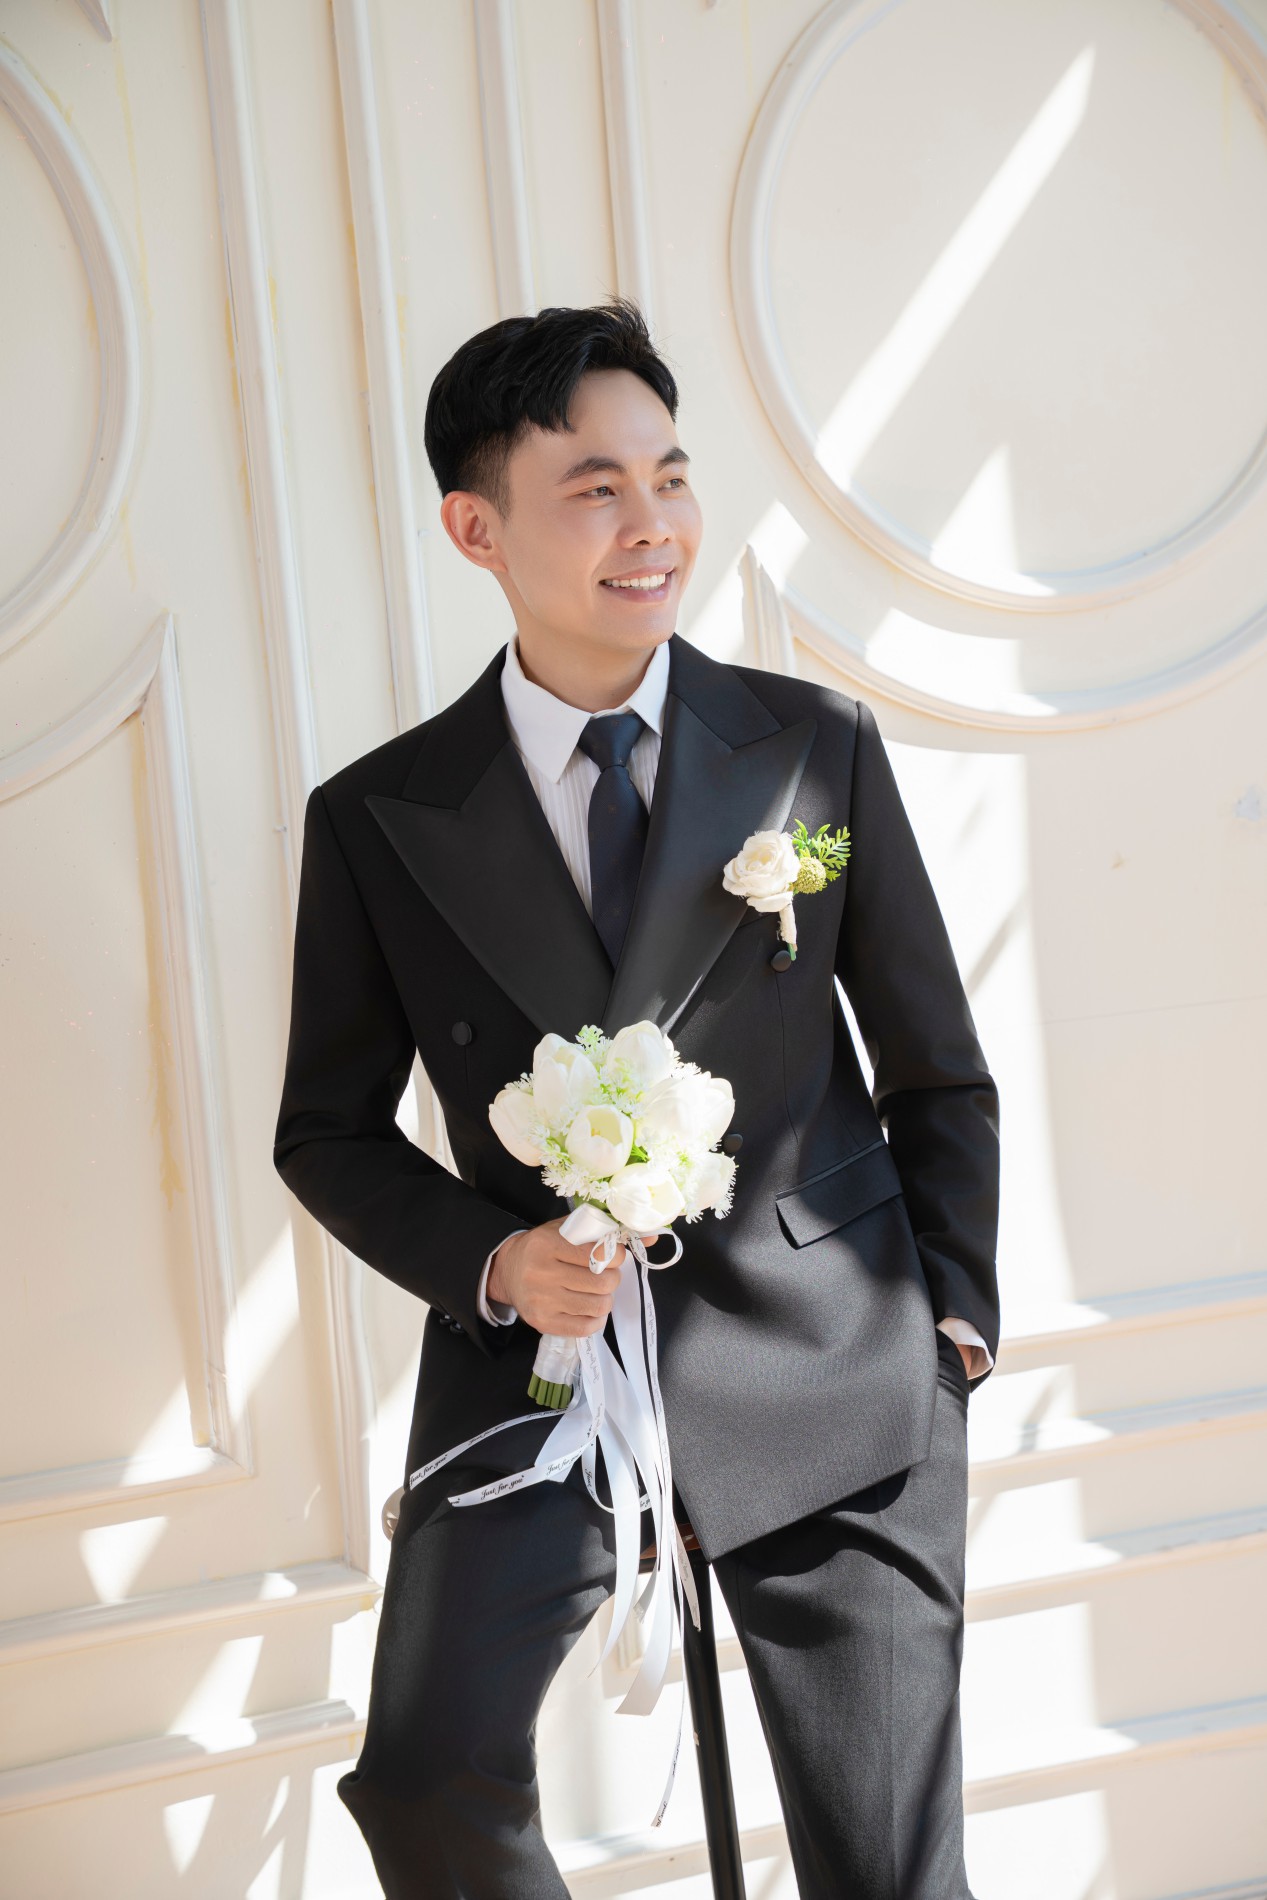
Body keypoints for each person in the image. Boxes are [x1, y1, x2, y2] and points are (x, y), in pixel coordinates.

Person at [273, 297, 1000, 1898]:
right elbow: (323, 1131)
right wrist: (495, 1262)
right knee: (425, 1781)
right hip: (543, 1383)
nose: (652, 523)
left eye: (669, 476)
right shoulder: (381, 818)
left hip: (837, 1361)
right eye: (595, 488)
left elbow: (937, 1066)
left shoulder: (811, 750)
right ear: (477, 528)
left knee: (891, 1869)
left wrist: (953, 1326)